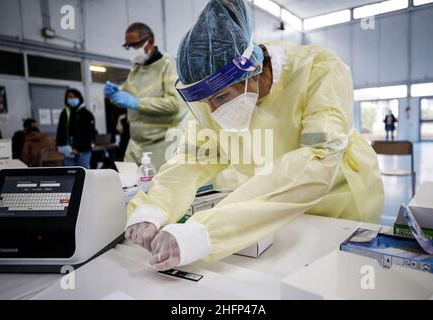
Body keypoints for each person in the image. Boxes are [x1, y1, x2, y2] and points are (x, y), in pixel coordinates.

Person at [125, 0, 385, 271]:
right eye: (206, 102)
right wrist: (153, 208)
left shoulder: (318, 69)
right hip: (268, 208)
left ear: (252, 69)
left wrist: (204, 233)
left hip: (337, 204)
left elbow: (318, 161)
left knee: (332, 279)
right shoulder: (210, 102)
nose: (213, 112)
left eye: (221, 96)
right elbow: (191, 161)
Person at [104, 22, 186, 171]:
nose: (132, 51)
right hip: (135, 142)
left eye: (135, 45)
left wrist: (137, 103)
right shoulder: (136, 69)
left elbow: (174, 104)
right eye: (128, 47)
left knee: (157, 189)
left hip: (161, 144)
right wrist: (114, 95)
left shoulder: (168, 65)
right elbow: (126, 99)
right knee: (127, 186)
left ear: (151, 41)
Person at [56, 88, 96, 169]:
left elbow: (90, 133)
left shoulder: (86, 114)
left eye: (74, 97)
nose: (71, 99)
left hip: (83, 150)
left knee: (84, 173)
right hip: (68, 150)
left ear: (79, 98)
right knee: (70, 174)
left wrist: (79, 148)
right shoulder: (64, 113)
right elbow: (60, 130)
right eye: (69, 97)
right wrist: (59, 145)